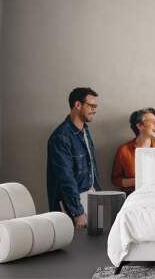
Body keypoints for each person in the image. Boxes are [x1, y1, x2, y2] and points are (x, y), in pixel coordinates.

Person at [47, 87, 101, 228]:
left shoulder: (84, 130)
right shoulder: (61, 137)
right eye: (91, 106)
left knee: (97, 245)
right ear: (78, 105)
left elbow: (91, 168)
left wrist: (98, 196)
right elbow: (66, 179)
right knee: (77, 248)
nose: (94, 110)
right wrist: (78, 213)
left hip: (90, 196)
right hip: (73, 203)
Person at [111, 108, 155, 194]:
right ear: (139, 126)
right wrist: (137, 181)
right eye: (152, 121)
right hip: (132, 199)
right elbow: (116, 180)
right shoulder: (124, 150)